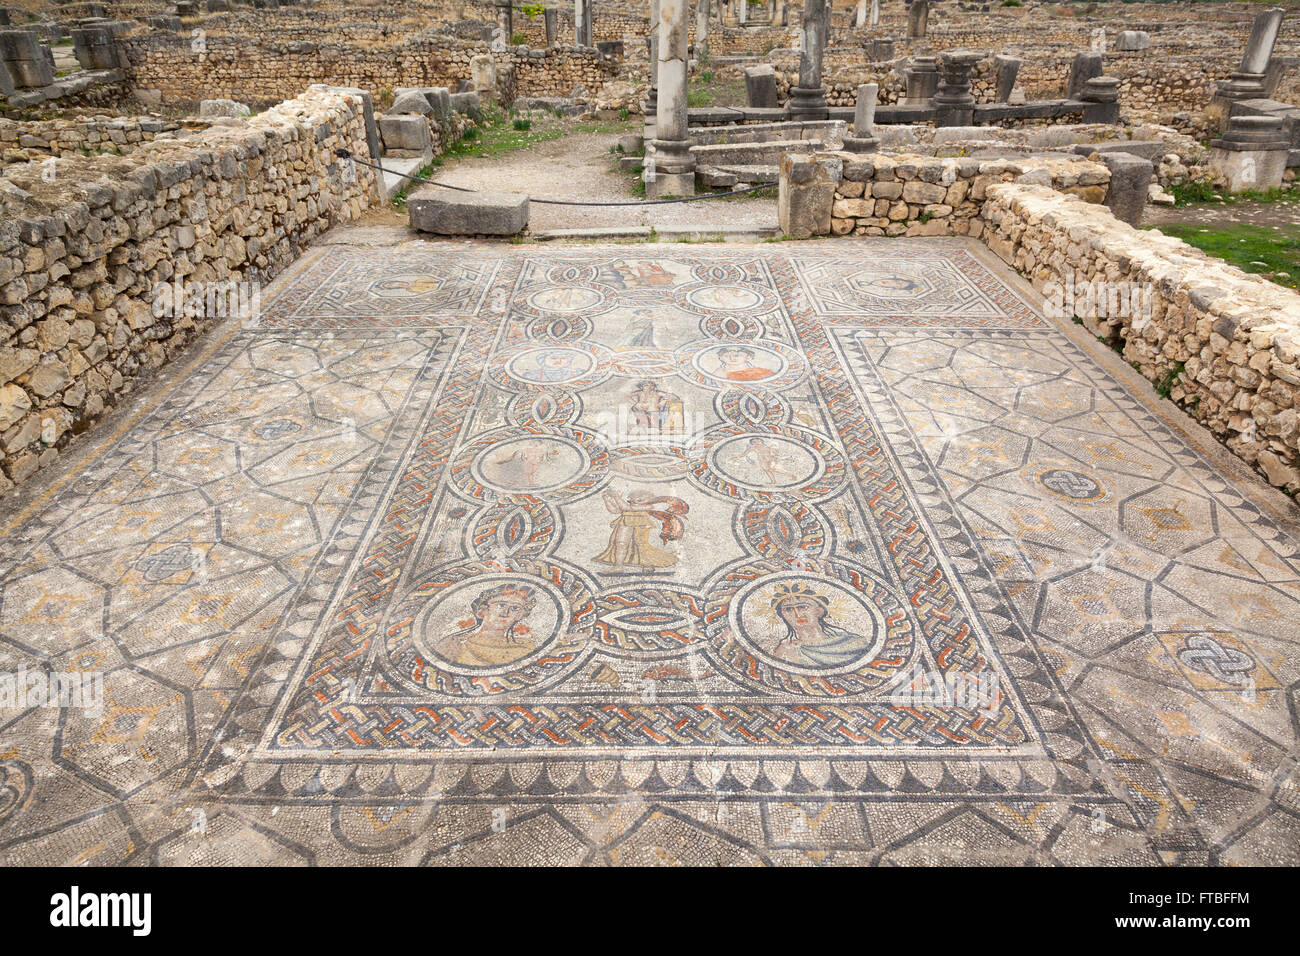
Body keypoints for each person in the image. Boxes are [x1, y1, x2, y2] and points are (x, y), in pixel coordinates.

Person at [430, 583, 539, 667]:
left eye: (515, 608)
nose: (505, 613)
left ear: (519, 616)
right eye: (500, 605)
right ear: (482, 611)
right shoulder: (453, 643)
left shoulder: (526, 646)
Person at [767, 583, 872, 667]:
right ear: (782, 615)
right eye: (788, 609)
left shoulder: (853, 642)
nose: (796, 614)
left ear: (820, 610)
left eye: (803, 607)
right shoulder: (784, 649)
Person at [593, 489, 689, 571]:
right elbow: (614, 510)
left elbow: (626, 507)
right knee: (620, 543)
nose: (635, 501)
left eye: (640, 499)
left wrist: (617, 497)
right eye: (633, 499)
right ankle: (618, 566)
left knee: (640, 544)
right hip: (625, 522)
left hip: (640, 524)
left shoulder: (648, 506)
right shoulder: (630, 505)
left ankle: (647, 563)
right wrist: (607, 499)